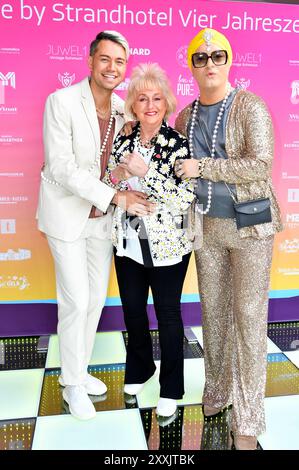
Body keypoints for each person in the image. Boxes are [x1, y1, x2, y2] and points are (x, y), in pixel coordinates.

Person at [174, 28, 283, 449]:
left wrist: (204, 167)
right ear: (192, 65)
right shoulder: (185, 117)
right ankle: (217, 391)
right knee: (214, 315)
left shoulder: (250, 106)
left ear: (229, 60)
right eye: (200, 58)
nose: (210, 63)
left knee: (250, 319)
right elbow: (173, 166)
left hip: (250, 228)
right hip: (208, 228)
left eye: (217, 55)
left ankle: (250, 414)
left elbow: (260, 165)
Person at [36, 31, 152, 420]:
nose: (112, 68)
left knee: (94, 302)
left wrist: (128, 176)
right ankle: (70, 386)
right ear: (90, 61)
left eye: (120, 62)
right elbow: (61, 166)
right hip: (67, 216)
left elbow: (118, 165)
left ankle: (79, 371)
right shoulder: (62, 102)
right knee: (76, 300)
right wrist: (115, 196)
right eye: (105, 59)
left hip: (102, 222)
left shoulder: (124, 110)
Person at [102, 63, 195, 418]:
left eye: (157, 98)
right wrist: (120, 173)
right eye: (143, 98)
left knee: (168, 316)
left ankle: (172, 387)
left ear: (167, 103)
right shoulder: (124, 137)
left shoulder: (177, 143)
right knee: (133, 310)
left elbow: (183, 199)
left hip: (168, 244)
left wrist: (149, 173)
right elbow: (108, 181)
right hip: (127, 239)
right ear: (134, 105)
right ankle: (141, 368)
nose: (150, 104)